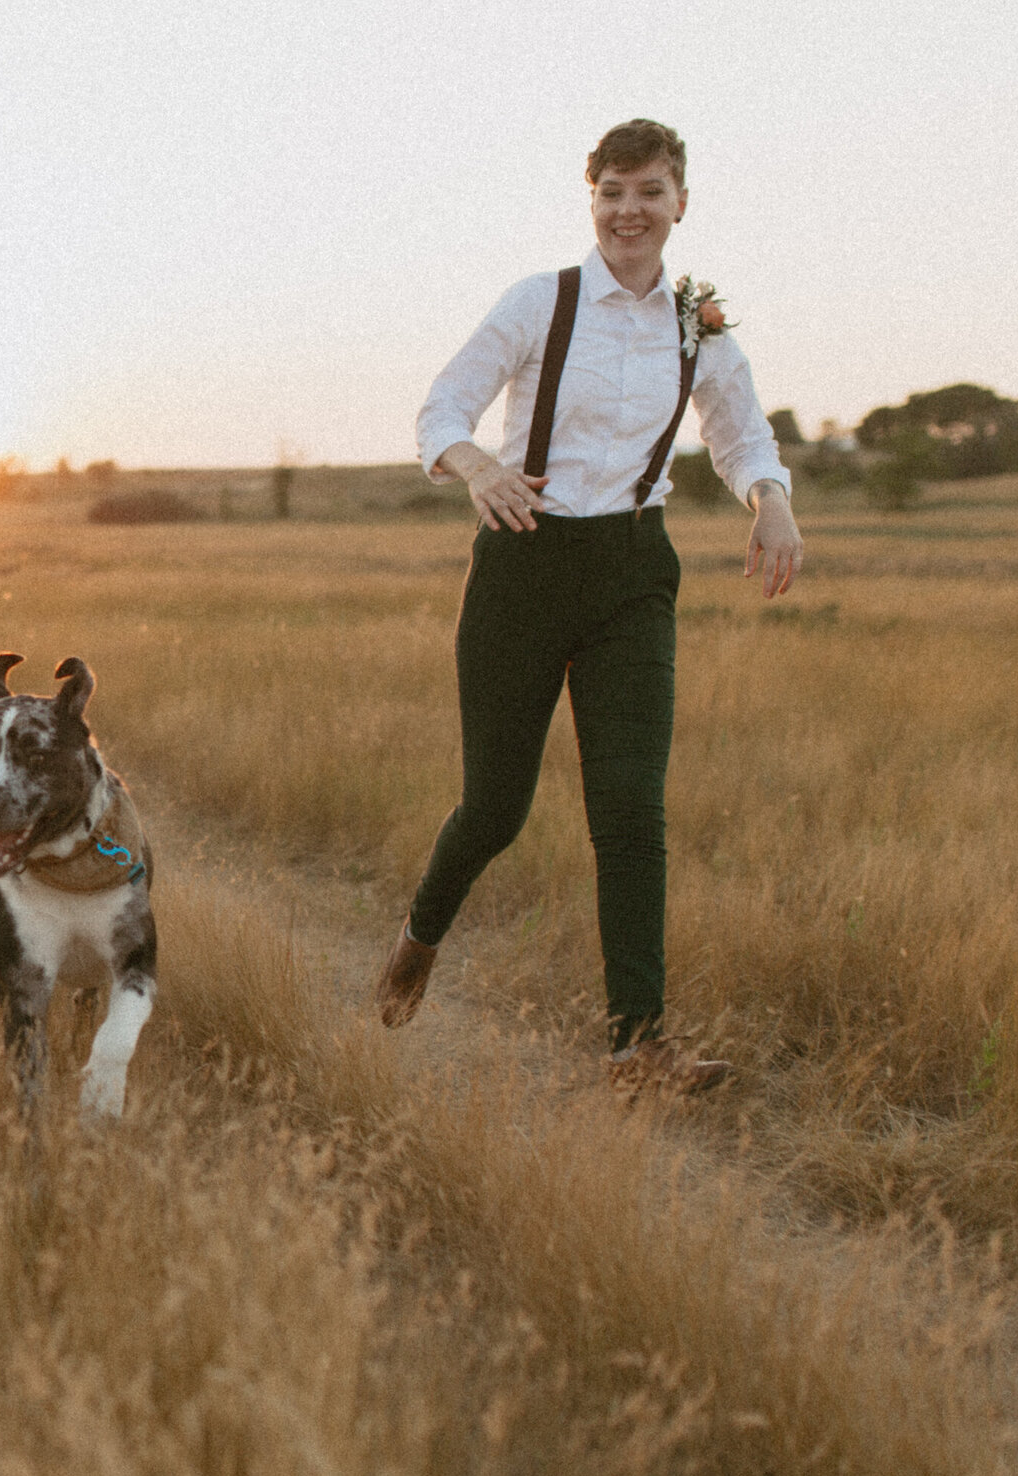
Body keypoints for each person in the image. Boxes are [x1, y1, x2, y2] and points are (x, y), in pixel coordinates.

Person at [374, 118, 802, 1096]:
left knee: (629, 808)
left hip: (632, 574)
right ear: (592, 199)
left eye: (649, 191)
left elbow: (742, 438)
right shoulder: (541, 302)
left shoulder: (702, 331)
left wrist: (770, 501)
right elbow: (441, 407)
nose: (628, 211)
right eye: (612, 192)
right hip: (524, 565)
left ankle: (636, 1046)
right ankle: (419, 935)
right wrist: (475, 461)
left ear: (680, 202)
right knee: (495, 809)